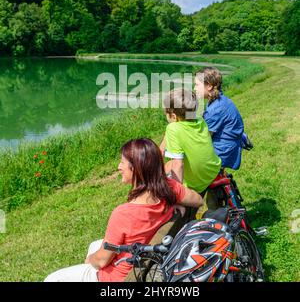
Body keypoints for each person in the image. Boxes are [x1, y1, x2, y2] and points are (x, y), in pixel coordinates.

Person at [44, 138, 202, 282]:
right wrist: (175, 201)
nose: (119, 167)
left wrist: (90, 260)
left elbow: (101, 261)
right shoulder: (169, 187)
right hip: (145, 258)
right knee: (95, 244)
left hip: (120, 276)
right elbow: (198, 200)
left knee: (52, 279)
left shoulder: (124, 213)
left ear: (136, 169)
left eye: (122, 163)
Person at [160, 88, 221, 197]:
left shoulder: (173, 129)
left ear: (173, 116)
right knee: (167, 166)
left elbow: (178, 165)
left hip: (196, 183)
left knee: (161, 182)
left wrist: (178, 196)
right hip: (213, 170)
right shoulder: (199, 120)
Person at [194, 67, 244, 171]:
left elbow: (204, 139)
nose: (194, 88)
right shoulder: (218, 100)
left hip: (223, 151)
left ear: (209, 86)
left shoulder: (216, 109)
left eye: (197, 85)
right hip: (228, 145)